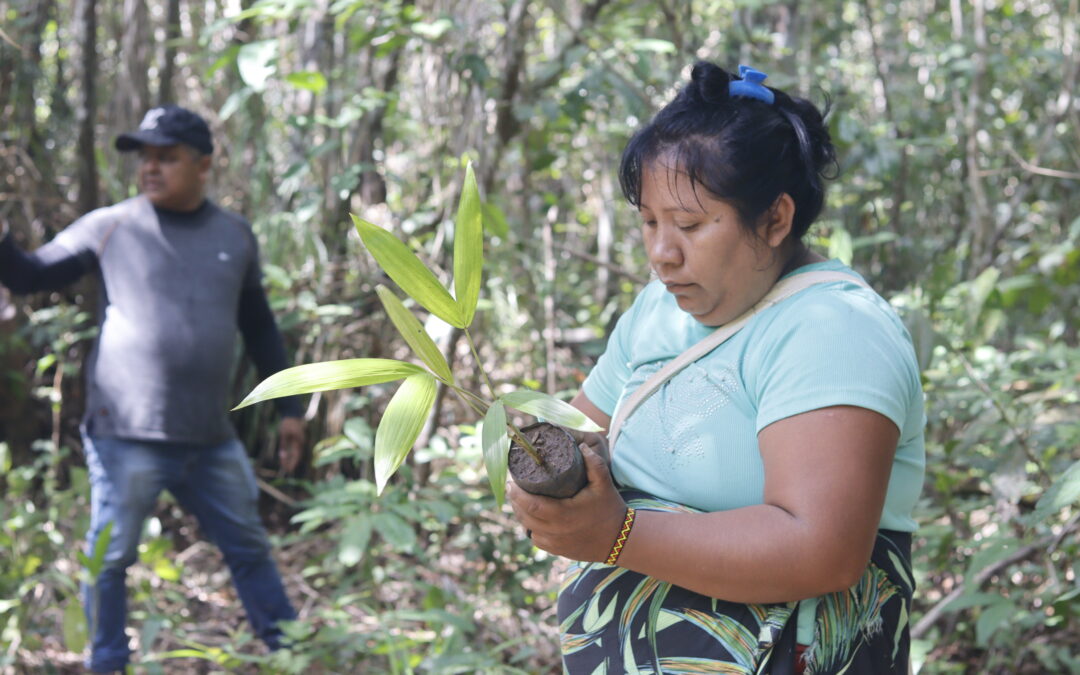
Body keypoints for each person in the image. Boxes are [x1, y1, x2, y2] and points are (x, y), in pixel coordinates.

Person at [509, 63, 925, 674]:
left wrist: (615, 535)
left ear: (776, 219)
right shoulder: (659, 307)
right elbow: (587, 428)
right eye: (649, 221)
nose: (661, 253)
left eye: (690, 225)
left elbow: (823, 550)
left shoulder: (835, 330)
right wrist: (544, 471)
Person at [0, 105, 305, 672]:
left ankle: (292, 652)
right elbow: (30, 275)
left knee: (249, 548)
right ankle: (108, 662)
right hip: (126, 435)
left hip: (211, 437)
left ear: (204, 165)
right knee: (110, 558)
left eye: (167, 157)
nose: (150, 168)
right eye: (145, 157)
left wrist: (289, 407)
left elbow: (259, 325)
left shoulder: (234, 235)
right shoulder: (110, 224)